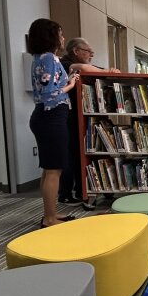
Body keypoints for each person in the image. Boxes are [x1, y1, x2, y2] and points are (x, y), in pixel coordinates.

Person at [28, 18, 79, 228]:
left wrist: (66, 80)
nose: (63, 38)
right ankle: (50, 218)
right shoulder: (50, 58)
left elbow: (47, 87)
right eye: (60, 33)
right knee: (54, 169)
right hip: (51, 116)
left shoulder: (38, 58)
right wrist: (71, 85)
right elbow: (51, 95)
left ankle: (51, 213)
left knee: (49, 168)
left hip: (43, 116)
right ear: (51, 36)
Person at [59, 37, 117, 205]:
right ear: (76, 51)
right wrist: (106, 71)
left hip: (79, 116)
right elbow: (85, 68)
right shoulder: (64, 64)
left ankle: (80, 190)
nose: (91, 54)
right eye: (88, 51)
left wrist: (107, 70)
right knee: (70, 155)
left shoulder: (76, 64)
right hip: (67, 117)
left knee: (79, 153)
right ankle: (65, 193)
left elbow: (94, 69)